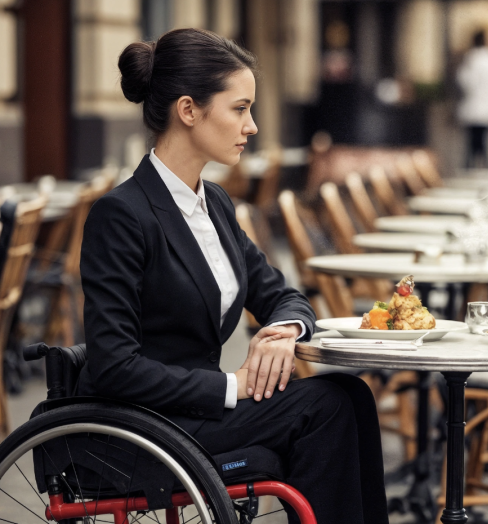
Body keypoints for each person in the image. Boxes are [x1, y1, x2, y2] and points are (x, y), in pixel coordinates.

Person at [75, 28, 388, 524]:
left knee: (350, 393)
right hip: (147, 425)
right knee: (326, 406)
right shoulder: (122, 215)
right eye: (240, 108)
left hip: (194, 415)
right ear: (188, 110)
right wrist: (231, 386)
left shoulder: (214, 203)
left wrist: (284, 331)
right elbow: (115, 366)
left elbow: (280, 293)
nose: (253, 126)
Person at [456, 29, 488, 168]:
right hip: (485, 109)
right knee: (483, 145)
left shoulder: (471, 58)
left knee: (473, 146)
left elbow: (464, 82)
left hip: (476, 109)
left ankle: (472, 170)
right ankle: (482, 169)